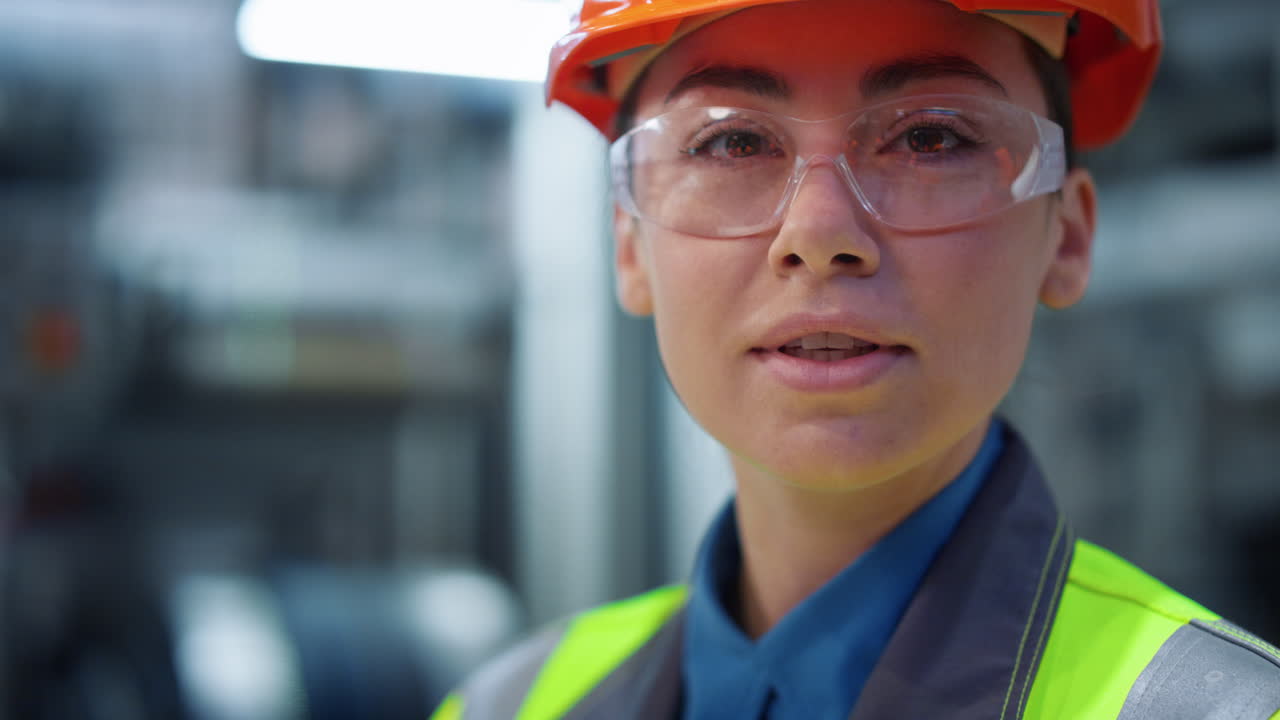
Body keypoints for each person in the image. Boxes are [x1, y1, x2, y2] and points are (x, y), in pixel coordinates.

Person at [434, 0, 1280, 717]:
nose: (820, 233)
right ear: (628, 244)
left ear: (1066, 234)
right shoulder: (511, 704)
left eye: (931, 139)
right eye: (732, 144)